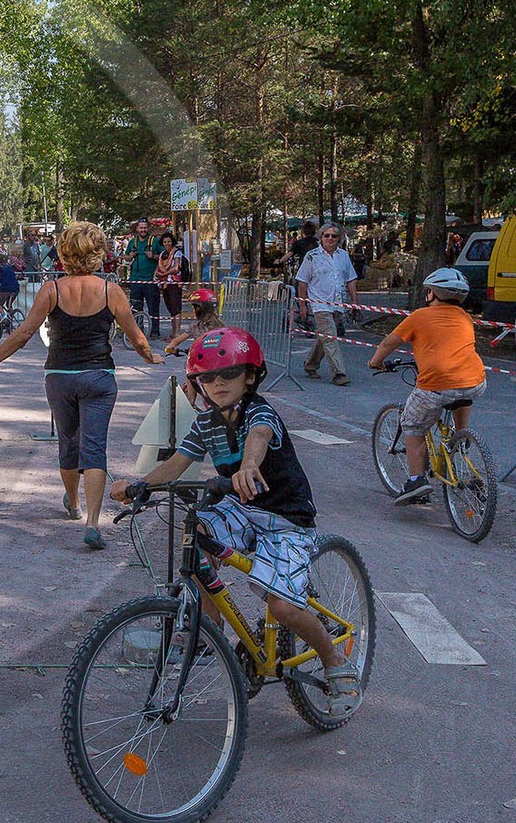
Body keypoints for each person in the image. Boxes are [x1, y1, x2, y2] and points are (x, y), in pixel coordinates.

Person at [107, 327, 359, 714]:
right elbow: (176, 464)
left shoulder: (260, 413)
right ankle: (210, 630)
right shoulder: (206, 422)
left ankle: (334, 661)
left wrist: (247, 467)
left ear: (251, 376)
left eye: (228, 374)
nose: (217, 384)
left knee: (283, 609)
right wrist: (141, 485)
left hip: (285, 518)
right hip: (242, 510)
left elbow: (258, 439)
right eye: (207, 377)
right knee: (198, 531)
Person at [0, 222, 161, 550]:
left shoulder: (51, 289)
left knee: (69, 442)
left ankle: (73, 502)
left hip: (60, 377)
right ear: (99, 254)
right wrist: (151, 358)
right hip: (99, 377)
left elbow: (24, 334)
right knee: (95, 448)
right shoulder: (111, 291)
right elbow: (137, 338)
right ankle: (93, 523)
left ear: (64, 253)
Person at [368, 268, 487, 504]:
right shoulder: (465, 317)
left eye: (428, 291)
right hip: (475, 380)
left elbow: (389, 342)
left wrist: (376, 362)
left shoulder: (420, 316)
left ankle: (416, 481)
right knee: (459, 408)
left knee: (412, 425)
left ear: (433, 293)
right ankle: (460, 449)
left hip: (437, 384)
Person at [295, 222, 358, 385]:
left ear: (339, 239)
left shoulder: (343, 256)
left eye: (334, 236)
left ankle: (310, 364)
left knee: (325, 336)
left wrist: (354, 302)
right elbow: (302, 281)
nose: (330, 238)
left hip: (337, 303)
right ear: (321, 237)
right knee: (330, 336)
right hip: (319, 304)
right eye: (326, 235)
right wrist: (303, 305)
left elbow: (351, 279)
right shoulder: (312, 256)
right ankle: (339, 373)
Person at [123, 218, 162, 337]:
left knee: (153, 307)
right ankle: (138, 331)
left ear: (148, 228)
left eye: (145, 227)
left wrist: (153, 256)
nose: (143, 230)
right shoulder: (132, 242)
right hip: (135, 280)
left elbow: (164, 255)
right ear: (137, 229)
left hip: (150, 280)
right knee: (136, 307)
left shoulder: (154, 241)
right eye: (141, 227)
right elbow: (125, 257)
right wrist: (130, 256)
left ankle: (154, 331)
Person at [163, 287, 222, 355]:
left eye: (194, 307)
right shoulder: (220, 325)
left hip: (201, 359)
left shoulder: (196, 325)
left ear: (201, 308)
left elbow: (177, 340)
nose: (193, 310)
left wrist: (170, 347)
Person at [155, 232, 188, 341]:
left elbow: (176, 268)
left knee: (176, 308)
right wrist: (157, 276)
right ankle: (172, 334)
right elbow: (158, 268)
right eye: (165, 242)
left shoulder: (177, 253)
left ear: (172, 242)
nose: (167, 244)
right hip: (165, 283)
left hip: (174, 283)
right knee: (170, 308)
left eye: (169, 241)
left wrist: (164, 274)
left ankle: (177, 334)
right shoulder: (162, 254)